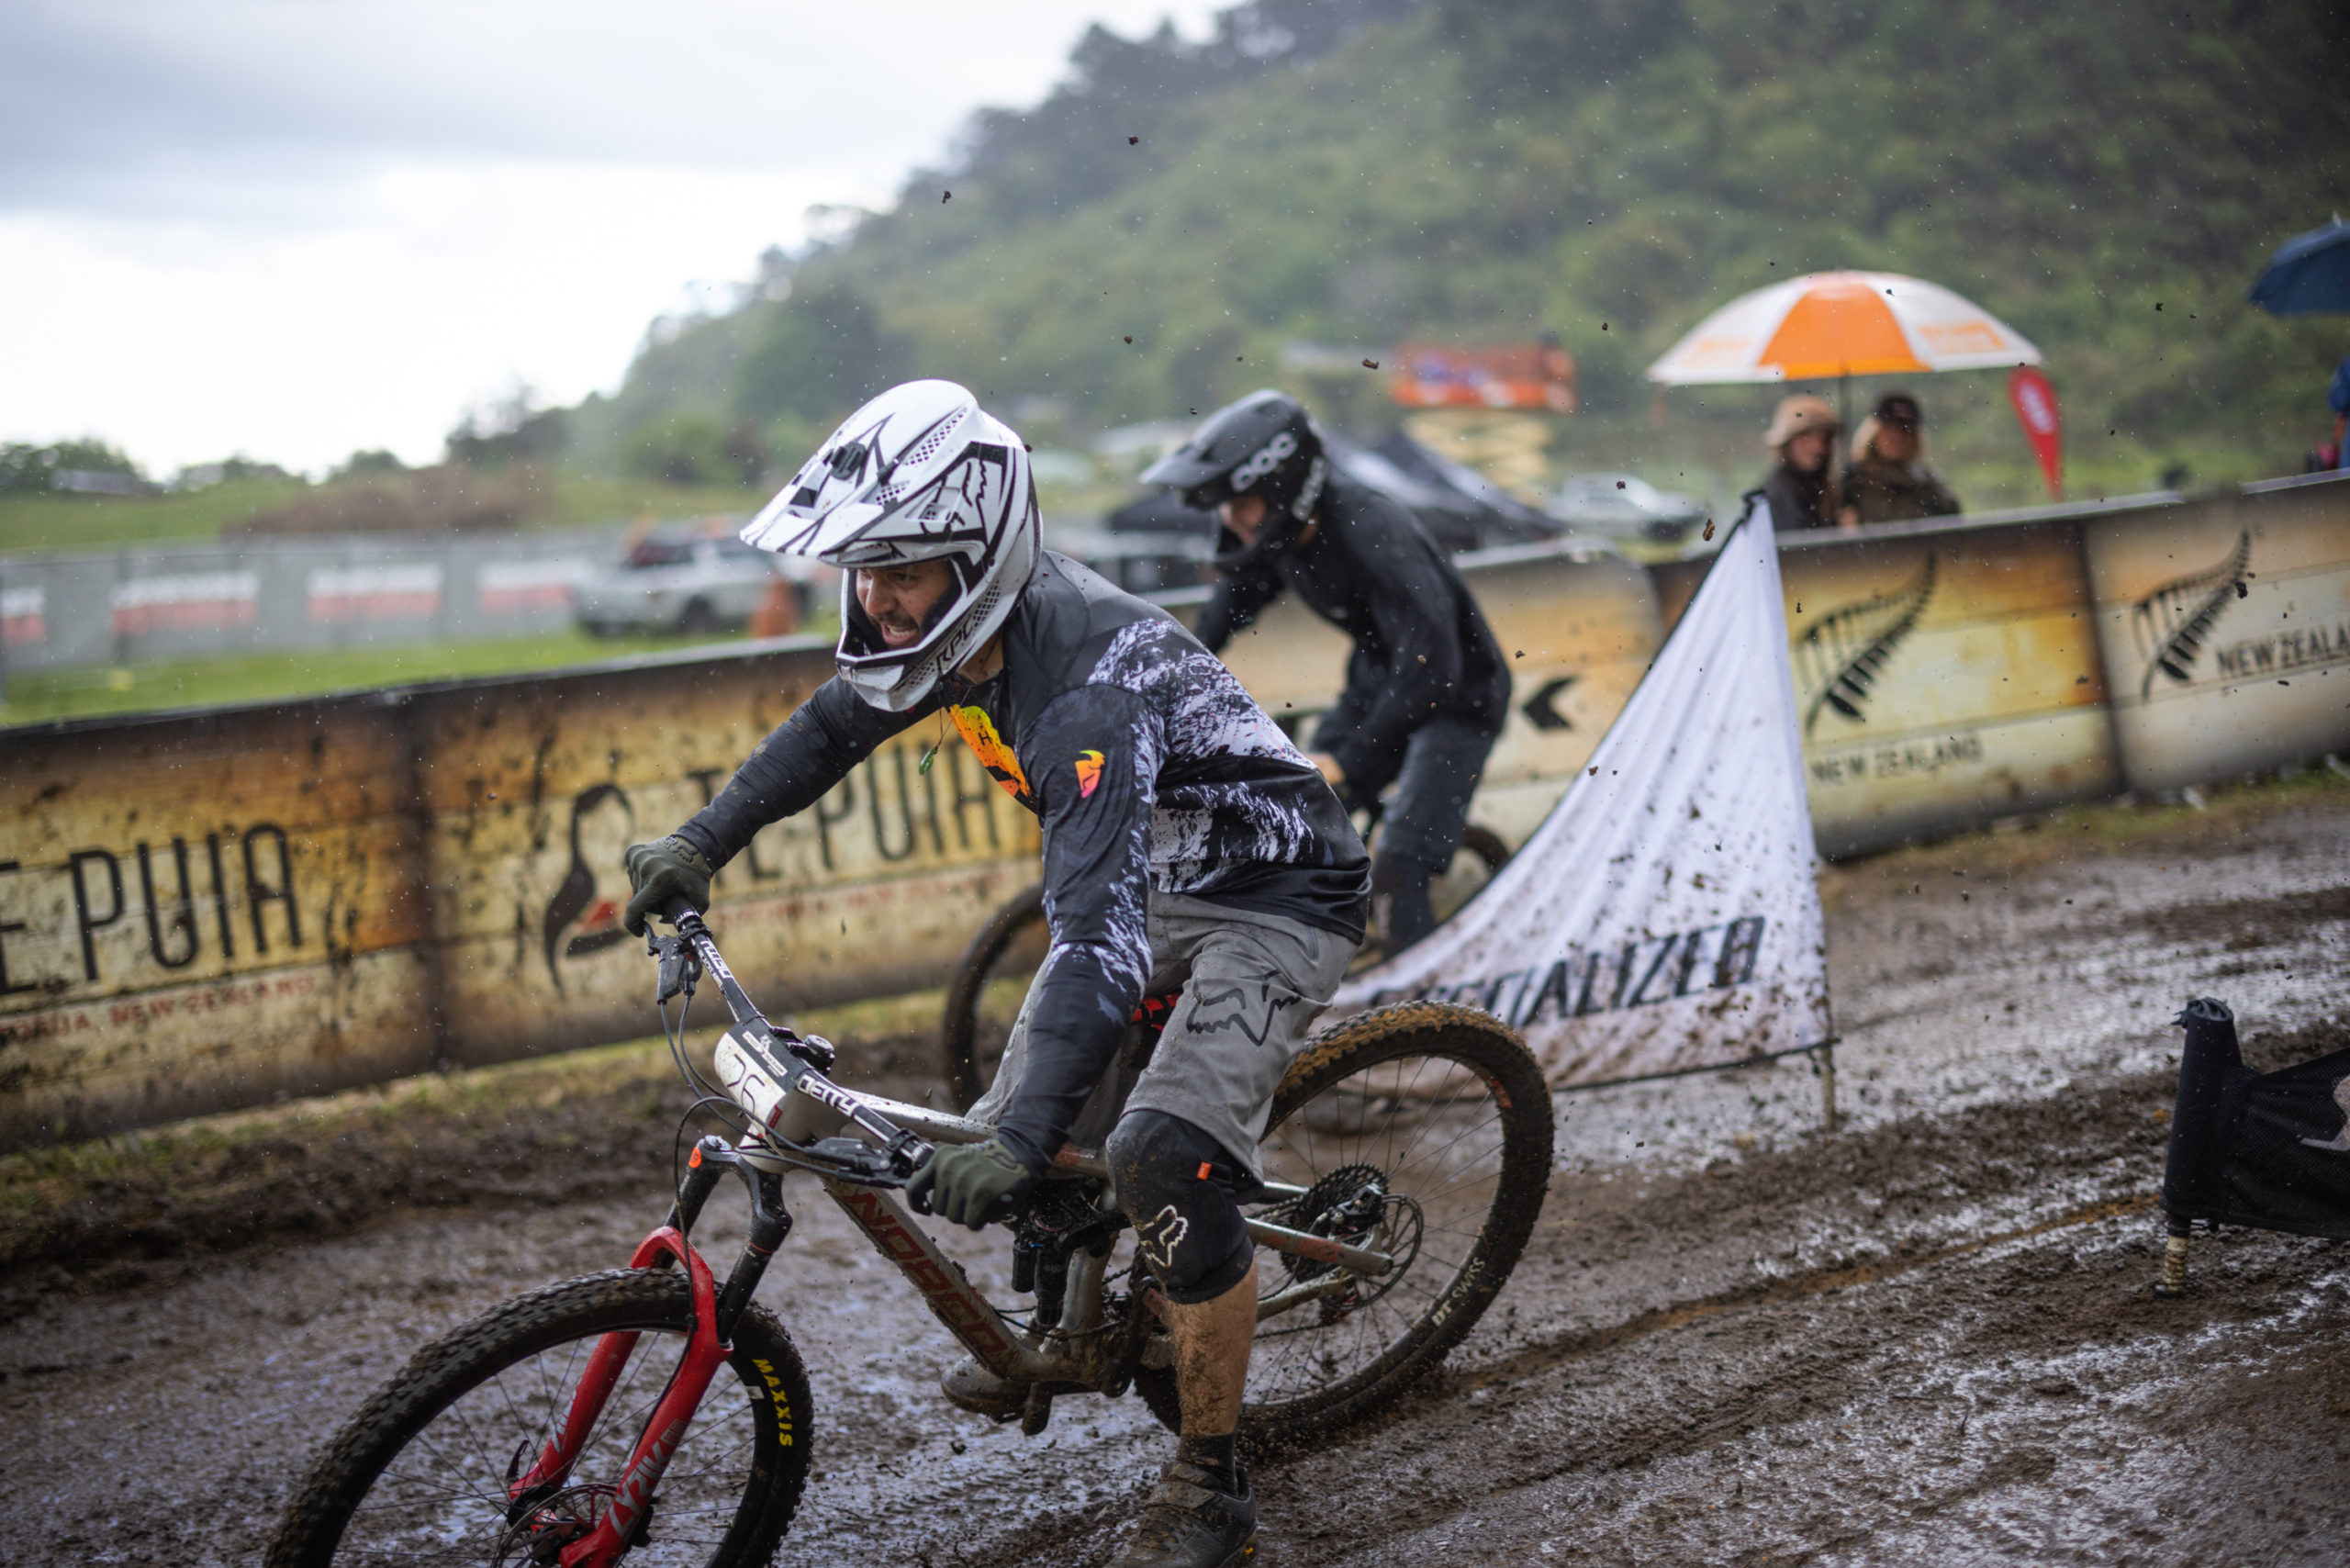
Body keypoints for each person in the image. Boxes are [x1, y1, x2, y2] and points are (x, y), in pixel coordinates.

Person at [620, 380, 1367, 1568]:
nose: (875, 597)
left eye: (899, 571)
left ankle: (1213, 1479)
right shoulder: (955, 631)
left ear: (978, 560)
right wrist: (702, 842)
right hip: (1161, 873)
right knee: (1029, 1118)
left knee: (1153, 1151)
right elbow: (829, 728)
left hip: (1276, 894)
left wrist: (1022, 1136)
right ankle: (1080, 1328)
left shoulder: (1086, 695)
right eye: (861, 571)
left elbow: (1099, 944)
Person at [1145, 390, 1510, 955]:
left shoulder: (1372, 529)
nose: (1231, 521)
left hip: (1457, 695)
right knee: (1306, 817)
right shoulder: (1279, 535)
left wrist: (1353, 757)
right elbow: (1226, 609)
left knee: (1399, 866)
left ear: (1283, 486)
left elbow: (1435, 665)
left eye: (1240, 504)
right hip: (1379, 682)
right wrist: (1161, 677)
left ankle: (1444, 1021)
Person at [1841, 392, 1962, 524]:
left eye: (1905, 429)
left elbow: (1952, 520)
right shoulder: (1853, 480)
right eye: (1889, 428)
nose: (1897, 437)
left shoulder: (1928, 482)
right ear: (1874, 432)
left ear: (1915, 437)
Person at [1758, 393, 1844, 531]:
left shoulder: (1819, 487)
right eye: (1806, 437)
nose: (1818, 447)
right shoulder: (1780, 494)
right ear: (1787, 442)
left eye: (1824, 438)